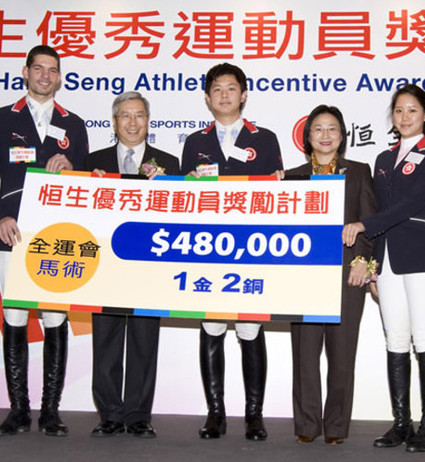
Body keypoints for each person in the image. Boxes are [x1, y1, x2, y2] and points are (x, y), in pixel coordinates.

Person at [0, 45, 89, 437]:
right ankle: (18, 410)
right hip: (15, 230)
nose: (44, 76)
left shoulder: (73, 125)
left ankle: (51, 411)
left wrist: (74, 169)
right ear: (25, 72)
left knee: (55, 317)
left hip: (58, 235)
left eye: (52, 70)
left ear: (60, 78)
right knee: (16, 318)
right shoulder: (2, 119)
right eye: (37, 69)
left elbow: (89, 180)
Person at [342, 84, 425, 453]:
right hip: (387, 260)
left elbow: (413, 203)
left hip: (421, 256)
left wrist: (364, 227)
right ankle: (402, 423)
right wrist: (372, 261)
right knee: (395, 340)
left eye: (412, 111)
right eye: (399, 111)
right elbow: (377, 209)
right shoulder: (384, 160)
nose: (405, 117)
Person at [181, 63, 283, 441]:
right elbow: (181, 203)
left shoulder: (267, 139)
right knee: (211, 327)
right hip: (208, 248)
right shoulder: (195, 143)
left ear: (243, 94)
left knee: (250, 327)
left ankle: (254, 415)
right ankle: (215, 414)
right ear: (207, 98)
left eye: (231, 88)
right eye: (217, 89)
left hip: (252, 248)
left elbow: (282, 199)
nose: (224, 94)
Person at [84, 91, 179, 438]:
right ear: (114, 122)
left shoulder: (168, 162)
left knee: (143, 340)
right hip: (104, 265)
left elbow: (181, 212)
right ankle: (109, 414)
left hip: (148, 266)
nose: (133, 123)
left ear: (148, 122)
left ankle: (139, 415)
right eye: (125, 116)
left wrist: (166, 187)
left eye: (139, 115)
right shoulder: (92, 162)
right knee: (106, 339)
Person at [285, 105, 377, 445]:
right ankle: (307, 424)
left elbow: (369, 222)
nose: (325, 135)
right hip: (304, 276)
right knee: (305, 356)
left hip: (346, 273)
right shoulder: (292, 176)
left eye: (332, 129)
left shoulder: (358, 172)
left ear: (342, 136)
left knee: (342, 356)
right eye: (318, 129)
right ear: (307, 137)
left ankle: (336, 427)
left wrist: (362, 260)